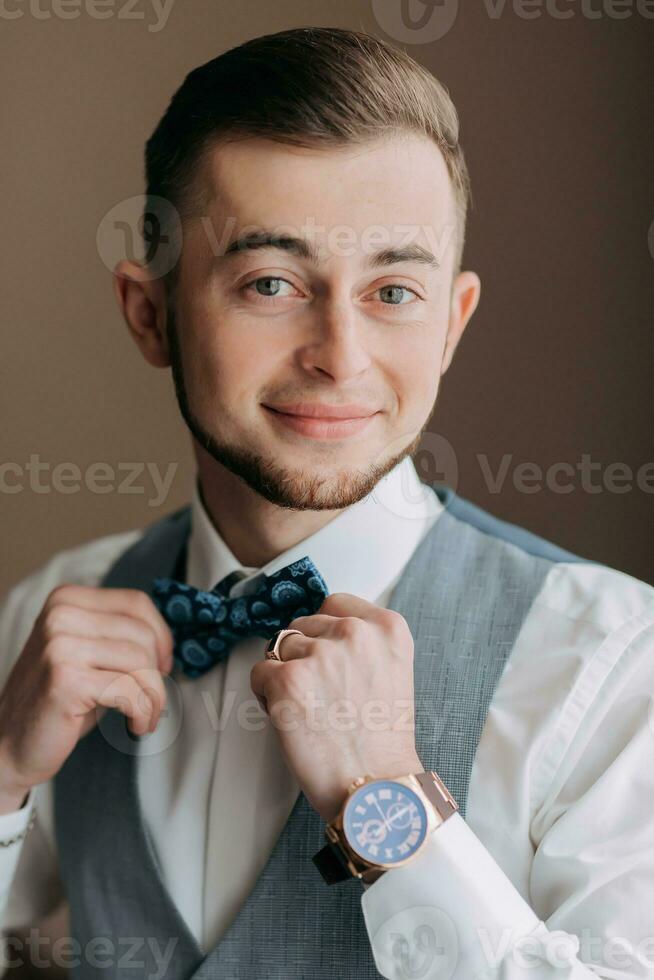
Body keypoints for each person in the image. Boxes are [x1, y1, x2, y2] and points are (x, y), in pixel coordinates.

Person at [0, 25, 652, 980]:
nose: (340, 354)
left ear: (451, 326)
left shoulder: (612, 661)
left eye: (393, 291)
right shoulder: (46, 617)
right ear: (150, 313)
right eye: (271, 282)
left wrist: (384, 801)